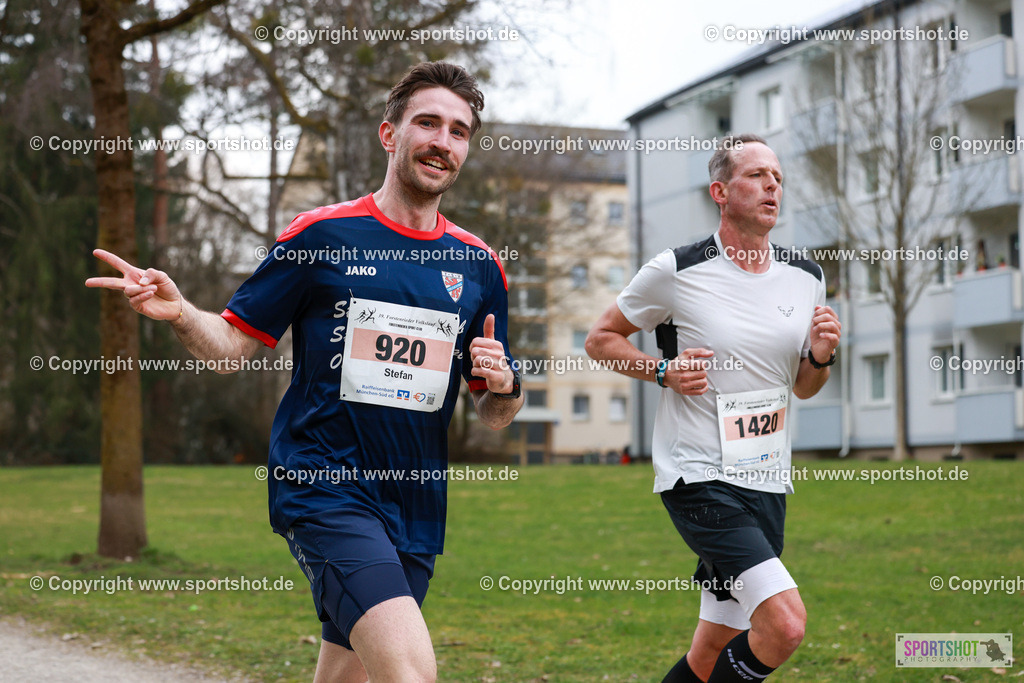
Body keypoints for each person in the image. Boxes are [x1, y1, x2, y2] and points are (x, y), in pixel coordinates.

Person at [86, 61, 523, 682]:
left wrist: (504, 385)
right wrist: (181, 312)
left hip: (416, 505)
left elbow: (495, 412)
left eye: (458, 131)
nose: (442, 142)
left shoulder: (479, 265)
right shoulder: (322, 235)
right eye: (427, 123)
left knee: (347, 677)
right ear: (389, 134)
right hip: (325, 487)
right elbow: (232, 346)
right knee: (409, 673)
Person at [585, 133, 841, 682]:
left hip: (767, 480)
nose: (772, 186)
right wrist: (662, 371)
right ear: (720, 192)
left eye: (778, 177)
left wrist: (821, 357)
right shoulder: (676, 270)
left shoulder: (807, 278)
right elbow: (600, 339)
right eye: (757, 175)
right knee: (784, 625)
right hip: (698, 476)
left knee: (710, 652)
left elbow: (804, 387)